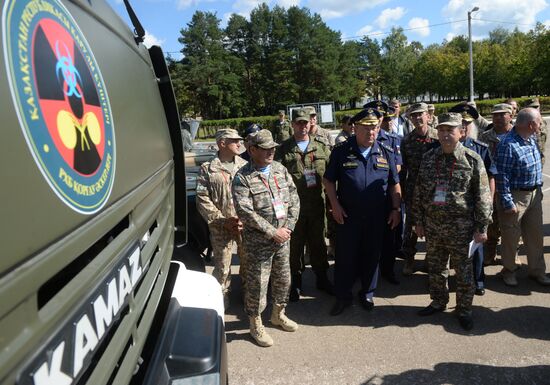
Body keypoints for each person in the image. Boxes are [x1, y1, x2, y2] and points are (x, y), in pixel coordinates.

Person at [413, 113, 492, 331]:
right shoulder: (429, 158)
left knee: (464, 272)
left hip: (462, 229)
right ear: (437, 132)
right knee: (437, 269)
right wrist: (417, 221)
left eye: (451, 130)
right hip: (434, 227)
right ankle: (439, 301)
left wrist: (482, 227)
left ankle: (464, 309)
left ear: (461, 132)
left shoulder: (472, 159)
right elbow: (419, 192)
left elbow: (483, 197)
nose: (446, 134)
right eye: (442, 130)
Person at [323, 108, 401, 315]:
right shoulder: (341, 151)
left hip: (377, 216)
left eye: (374, 128)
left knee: (372, 256)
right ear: (354, 128)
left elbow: (395, 184)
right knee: (345, 257)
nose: (371, 132)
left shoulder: (386, 151)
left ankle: (367, 293)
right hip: (348, 216)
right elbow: (328, 180)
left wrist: (395, 209)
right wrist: (335, 205)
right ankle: (343, 296)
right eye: (366, 128)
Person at [232, 129, 300, 347]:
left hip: (283, 239)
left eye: (273, 148)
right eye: (266, 148)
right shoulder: (243, 177)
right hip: (259, 243)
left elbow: (294, 198)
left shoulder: (280, 170)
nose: (271, 151)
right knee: (257, 286)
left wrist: (288, 227)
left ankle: (278, 314)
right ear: (252, 150)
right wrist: (273, 232)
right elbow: (245, 212)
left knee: (283, 280)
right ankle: (255, 323)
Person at [275, 108, 334, 301]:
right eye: (299, 123)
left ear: (311, 124)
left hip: (317, 206)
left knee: (318, 244)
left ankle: (322, 278)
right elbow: (275, 179)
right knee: (295, 247)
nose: (302, 126)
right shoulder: (283, 149)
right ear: (292, 124)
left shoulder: (322, 146)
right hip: (293, 210)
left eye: (305, 123)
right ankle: (295, 282)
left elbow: (332, 176)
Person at [494, 108, 550, 287]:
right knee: (511, 237)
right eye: (539, 122)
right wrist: (508, 202)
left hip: (534, 194)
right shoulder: (507, 144)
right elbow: (501, 177)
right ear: (531, 124)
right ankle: (508, 271)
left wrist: (537, 192)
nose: (541, 125)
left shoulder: (531, 138)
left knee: (535, 236)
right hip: (515, 196)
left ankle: (537, 271)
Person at [196, 129, 248, 309]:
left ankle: (248, 296)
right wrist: (222, 220)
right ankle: (221, 299)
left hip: (243, 225)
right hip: (220, 227)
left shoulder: (244, 166)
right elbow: (202, 199)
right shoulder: (208, 168)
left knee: (247, 262)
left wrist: (246, 218)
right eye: (234, 141)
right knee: (222, 266)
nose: (239, 144)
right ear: (222, 143)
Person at [457, 106, 498, 296]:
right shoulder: (443, 147)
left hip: (474, 205)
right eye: (461, 122)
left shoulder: (480, 149)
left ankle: (478, 280)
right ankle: (456, 280)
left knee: (476, 245)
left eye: (467, 123)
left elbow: (491, 176)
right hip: (453, 207)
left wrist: (488, 201)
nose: (464, 126)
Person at [365, 101, 403, 284]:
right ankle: (366, 271)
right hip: (367, 198)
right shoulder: (361, 137)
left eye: (381, 116)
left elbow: (397, 166)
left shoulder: (392, 139)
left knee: (389, 237)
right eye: (375, 116)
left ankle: (388, 270)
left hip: (387, 195)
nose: (378, 120)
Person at [400, 102, 439, 275]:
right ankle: (409, 260)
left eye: (420, 114)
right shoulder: (407, 141)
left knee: (433, 227)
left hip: (436, 191)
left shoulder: (439, 138)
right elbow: (404, 169)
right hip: (413, 191)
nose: (417, 118)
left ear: (428, 116)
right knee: (411, 229)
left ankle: (431, 260)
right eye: (413, 115)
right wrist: (401, 191)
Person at [478, 104, 514, 266]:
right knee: (491, 223)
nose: (498, 118)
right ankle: (490, 253)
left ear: (511, 115)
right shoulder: (484, 137)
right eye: (495, 115)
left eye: (502, 114)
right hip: (491, 186)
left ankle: (512, 256)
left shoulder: (517, 134)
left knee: (512, 225)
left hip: (512, 187)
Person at [524, 97, 547, 164]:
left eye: (536, 107)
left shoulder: (543, 122)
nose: (534, 110)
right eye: (531, 107)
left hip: (540, 158)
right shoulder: (522, 123)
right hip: (527, 159)